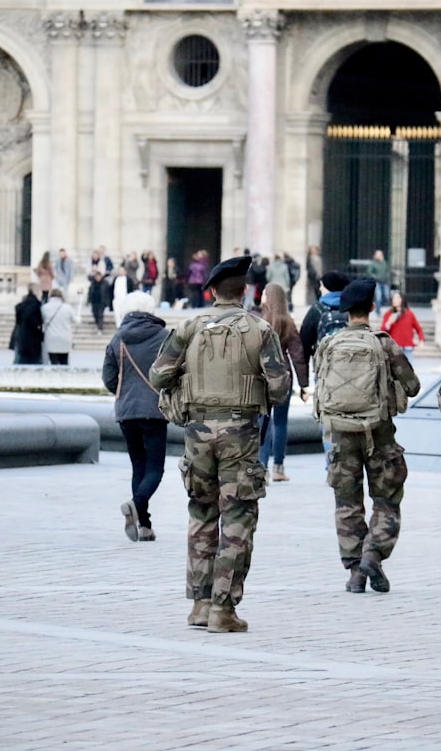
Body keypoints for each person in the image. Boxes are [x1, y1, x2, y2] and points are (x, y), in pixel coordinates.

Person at [150, 255, 290, 634]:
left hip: (196, 435)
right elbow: (279, 388)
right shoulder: (260, 330)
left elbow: (158, 375)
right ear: (244, 290)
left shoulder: (190, 327)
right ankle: (223, 609)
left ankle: (199, 603)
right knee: (238, 520)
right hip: (241, 435)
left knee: (201, 515)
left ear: (211, 291)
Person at [313, 277, 421, 595]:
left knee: (347, 503)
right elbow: (413, 386)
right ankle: (373, 554)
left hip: (340, 434)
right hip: (379, 433)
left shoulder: (329, 344)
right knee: (387, 501)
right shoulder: (384, 343)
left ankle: (355, 572)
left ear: (346, 311)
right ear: (372, 308)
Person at [103, 291, 170, 543]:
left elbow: (108, 378)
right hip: (155, 409)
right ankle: (136, 503)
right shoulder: (164, 337)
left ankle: (144, 526)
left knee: (138, 465)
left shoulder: (117, 338)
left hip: (126, 411)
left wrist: (125, 392)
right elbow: (175, 372)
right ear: (151, 311)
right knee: (155, 467)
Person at [258, 283, 309, 483]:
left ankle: (262, 468)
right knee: (280, 422)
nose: (261, 296)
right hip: (284, 375)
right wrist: (304, 385)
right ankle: (279, 467)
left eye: (263, 293)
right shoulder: (287, 321)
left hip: (262, 375)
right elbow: (297, 355)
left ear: (269, 298)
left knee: (263, 421)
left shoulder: (259, 320)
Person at [299, 270, 351, 366]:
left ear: (328, 287)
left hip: (324, 368)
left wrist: (304, 375)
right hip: (350, 365)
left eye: (322, 285)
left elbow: (304, 342)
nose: (320, 289)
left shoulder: (317, 309)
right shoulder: (352, 308)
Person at [380, 291, 425, 357]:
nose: (394, 300)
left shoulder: (409, 314)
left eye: (397, 298)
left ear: (402, 299)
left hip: (407, 348)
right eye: (394, 298)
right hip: (394, 348)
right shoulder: (388, 314)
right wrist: (389, 323)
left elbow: (419, 329)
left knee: (408, 367)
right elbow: (383, 330)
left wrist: (421, 341)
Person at [41, 288, 79, 365]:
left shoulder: (45, 307)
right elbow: (75, 320)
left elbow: (42, 320)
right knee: (64, 361)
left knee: (53, 361)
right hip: (65, 338)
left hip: (51, 338)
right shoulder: (67, 307)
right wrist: (79, 318)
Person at [12, 284, 44, 365]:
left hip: (22, 339)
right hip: (33, 340)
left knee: (20, 363)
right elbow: (36, 322)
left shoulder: (20, 306)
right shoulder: (36, 305)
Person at [366, 250, 391, 314]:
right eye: (378, 254)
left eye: (381, 254)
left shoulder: (384, 263)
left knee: (386, 296)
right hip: (377, 282)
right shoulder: (373, 263)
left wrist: (386, 276)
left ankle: (381, 305)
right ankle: (378, 310)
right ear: (375, 255)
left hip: (384, 281)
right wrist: (376, 277)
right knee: (378, 296)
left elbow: (387, 270)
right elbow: (369, 272)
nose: (380, 256)